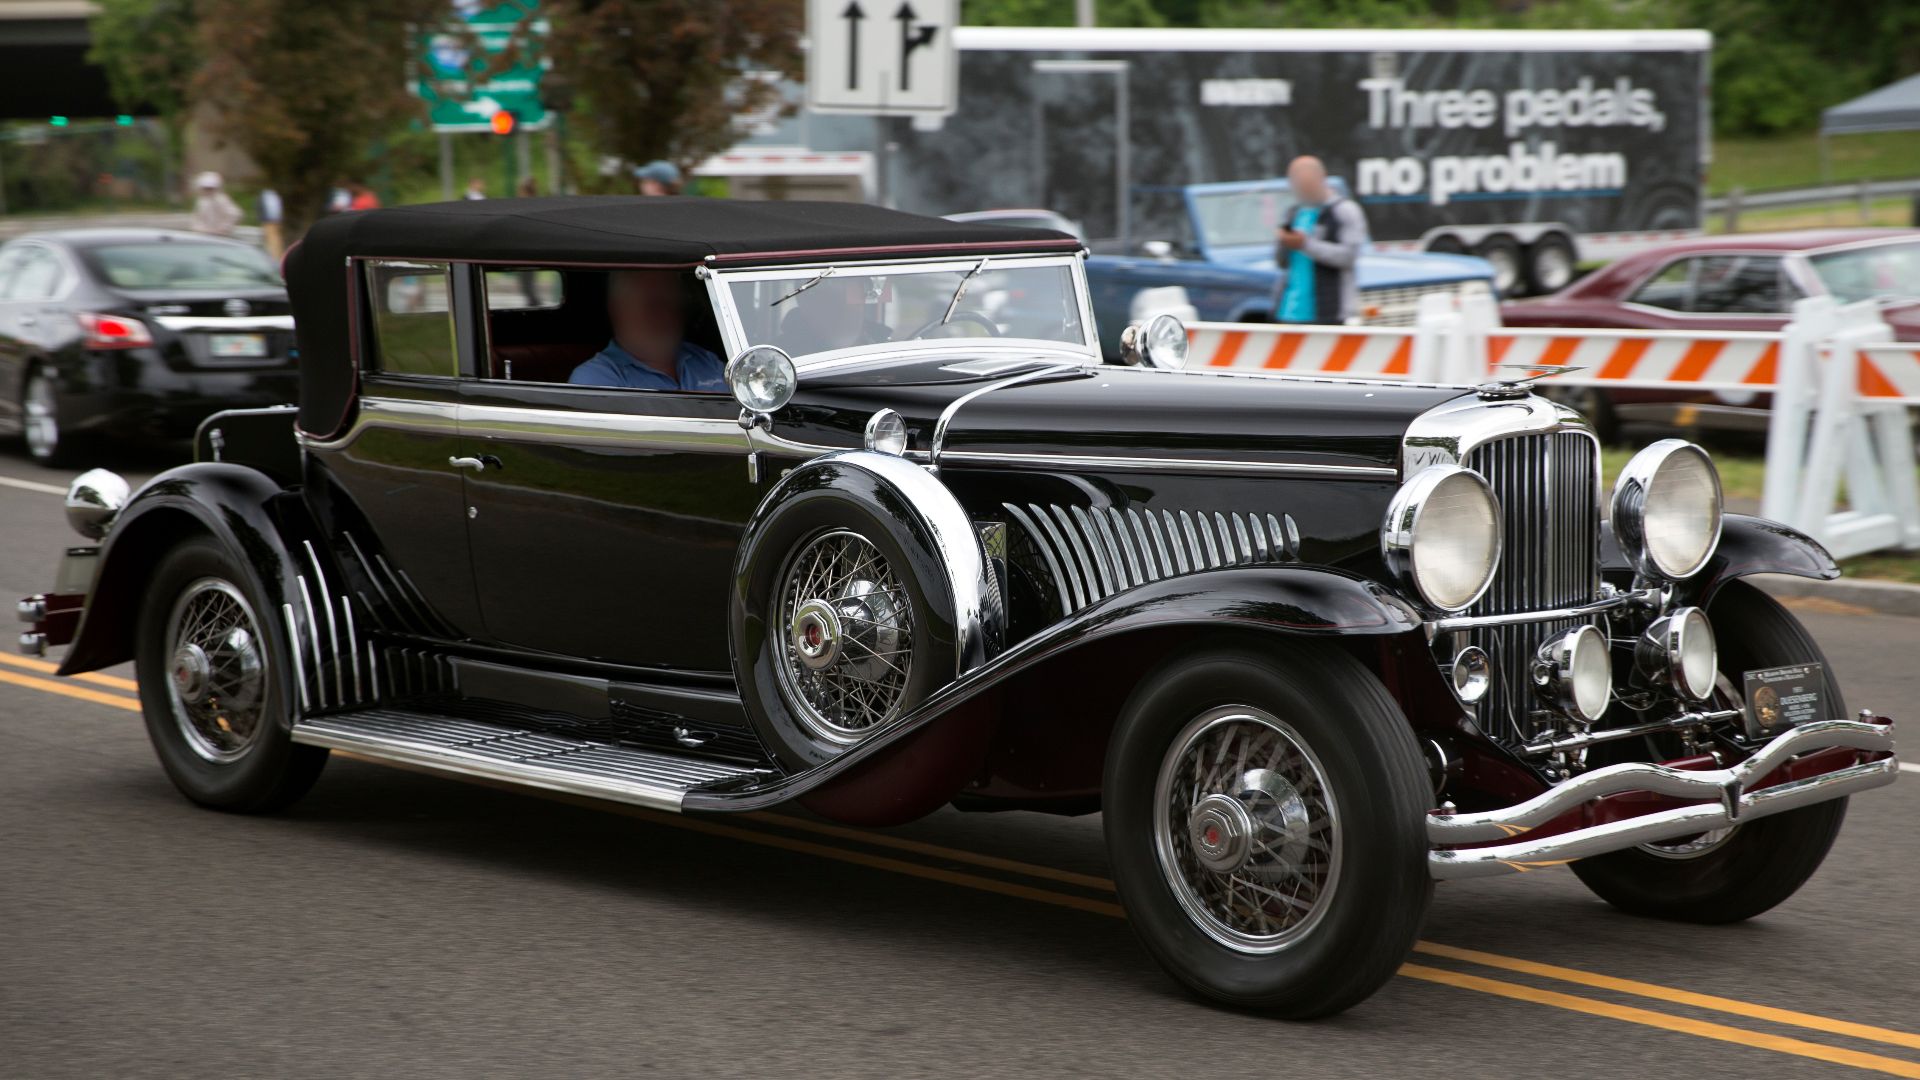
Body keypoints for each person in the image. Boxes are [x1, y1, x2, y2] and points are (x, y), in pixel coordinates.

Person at [569, 270, 726, 391]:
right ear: (618, 310)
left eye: (669, 302)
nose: (663, 315)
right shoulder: (595, 378)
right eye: (651, 305)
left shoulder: (706, 360)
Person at [1272, 155, 1369, 325]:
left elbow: (1349, 257)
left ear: (1321, 179)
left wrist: (1305, 244)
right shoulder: (1293, 212)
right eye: (1297, 185)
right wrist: (1284, 242)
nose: (1301, 191)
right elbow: (1281, 263)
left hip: (1329, 313)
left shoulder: (1343, 211)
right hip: (1289, 312)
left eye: (1306, 185)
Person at [775, 276, 891, 355]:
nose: (845, 314)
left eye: (852, 304)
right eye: (832, 303)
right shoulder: (782, 357)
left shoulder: (885, 346)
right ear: (806, 308)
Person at [189, 172, 242, 236]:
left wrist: (223, 228)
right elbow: (197, 218)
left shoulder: (221, 199)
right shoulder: (202, 201)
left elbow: (235, 214)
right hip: (205, 234)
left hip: (218, 236)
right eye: (205, 188)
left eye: (210, 188)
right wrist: (199, 229)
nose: (207, 191)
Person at [257, 186, 284, 261]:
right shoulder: (265, 196)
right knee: (272, 240)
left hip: (274, 222)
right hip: (269, 221)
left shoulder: (266, 196)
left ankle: (275, 257)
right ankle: (273, 257)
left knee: (274, 240)